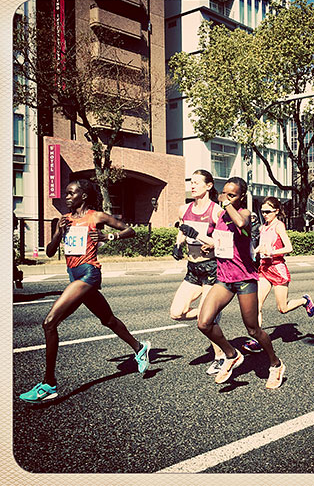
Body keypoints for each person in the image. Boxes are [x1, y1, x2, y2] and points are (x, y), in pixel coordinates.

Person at [19, 179, 150, 403]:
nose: (67, 197)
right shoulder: (64, 221)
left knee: (49, 323)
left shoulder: (96, 217)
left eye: (71, 194)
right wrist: (59, 233)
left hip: (89, 274)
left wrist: (109, 236)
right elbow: (50, 253)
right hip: (73, 275)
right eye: (66, 194)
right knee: (108, 319)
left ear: (83, 196)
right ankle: (139, 348)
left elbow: (130, 231)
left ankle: (49, 384)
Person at [197, 177, 286, 389]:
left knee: (253, 330)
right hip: (224, 278)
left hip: (245, 279)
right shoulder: (220, 217)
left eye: (232, 195)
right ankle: (232, 355)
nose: (226, 198)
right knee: (204, 323)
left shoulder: (246, 213)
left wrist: (226, 204)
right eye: (225, 194)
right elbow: (224, 240)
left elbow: (240, 224)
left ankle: (275, 364)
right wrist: (211, 246)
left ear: (241, 197)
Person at [241, 196, 314, 354]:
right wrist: (255, 252)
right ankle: (257, 340)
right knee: (257, 305)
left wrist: (272, 252)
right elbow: (261, 245)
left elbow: (289, 247)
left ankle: (304, 300)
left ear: (276, 211)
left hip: (278, 268)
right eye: (263, 212)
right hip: (264, 269)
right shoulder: (263, 228)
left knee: (282, 308)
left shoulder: (279, 226)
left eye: (268, 211)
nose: (265, 214)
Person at [170, 169, 226, 375]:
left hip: (212, 268)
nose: (192, 186)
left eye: (196, 182)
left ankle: (221, 356)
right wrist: (178, 244)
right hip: (193, 268)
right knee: (176, 313)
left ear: (208, 186)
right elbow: (182, 230)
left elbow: (222, 242)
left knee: (205, 320)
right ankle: (211, 316)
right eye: (190, 182)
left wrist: (203, 239)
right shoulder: (184, 209)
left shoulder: (216, 212)